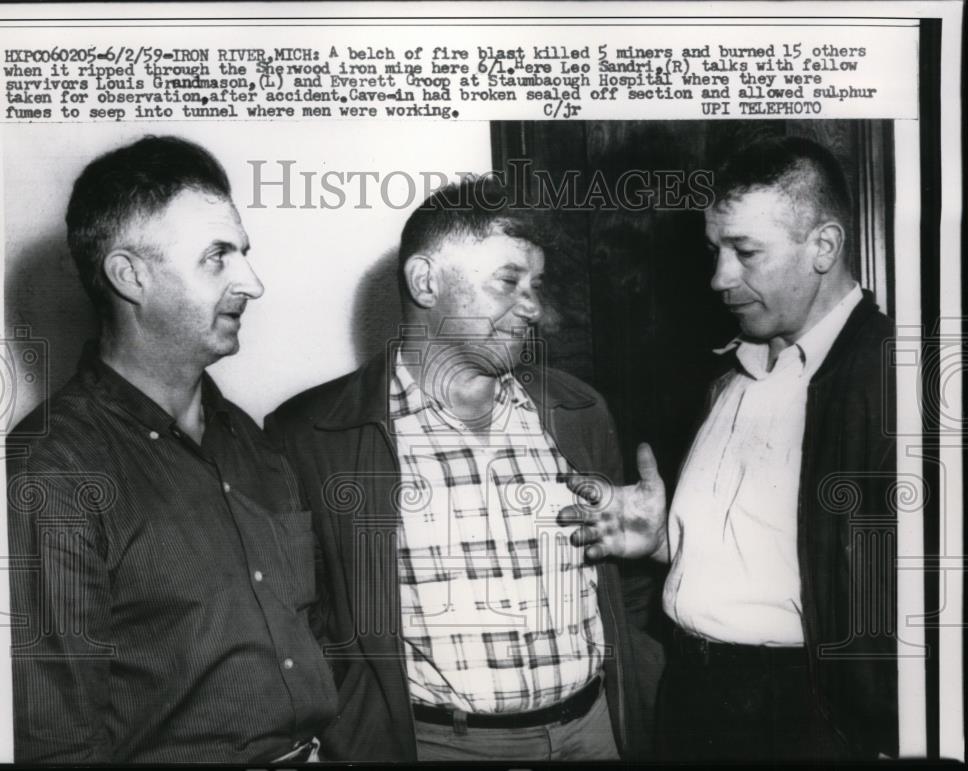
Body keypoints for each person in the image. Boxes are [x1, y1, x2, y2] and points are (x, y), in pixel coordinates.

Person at [266, 177, 663, 762]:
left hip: (594, 735)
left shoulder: (580, 410)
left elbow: (619, 585)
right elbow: (301, 621)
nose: (535, 309)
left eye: (537, 286)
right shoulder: (311, 434)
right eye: (509, 281)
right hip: (435, 747)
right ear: (426, 281)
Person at [561, 135, 897, 760]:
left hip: (803, 715)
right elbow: (772, 550)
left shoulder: (894, 383)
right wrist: (663, 541)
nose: (720, 278)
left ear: (823, 246)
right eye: (715, 251)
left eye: (746, 252)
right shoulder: (726, 371)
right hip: (692, 691)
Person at [6, 136, 336, 763]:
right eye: (218, 257)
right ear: (130, 276)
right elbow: (54, 742)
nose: (253, 282)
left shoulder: (256, 447)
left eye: (243, 253)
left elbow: (310, 637)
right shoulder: (50, 469)